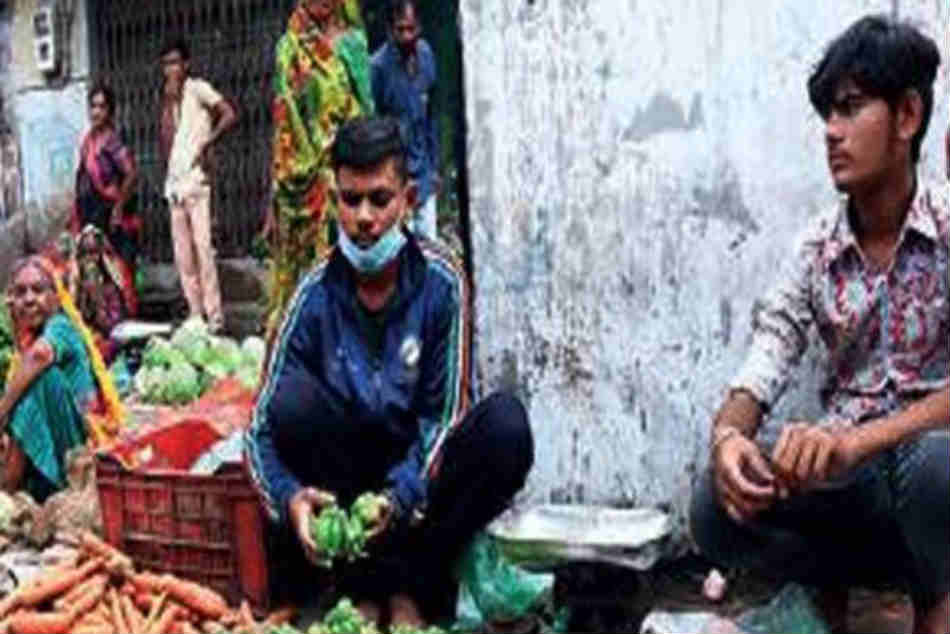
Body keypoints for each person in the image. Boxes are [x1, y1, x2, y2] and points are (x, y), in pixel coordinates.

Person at [689, 16, 948, 634]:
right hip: (851, 490)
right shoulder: (815, 249)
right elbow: (766, 355)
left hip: (929, 481)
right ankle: (823, 598)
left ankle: (936, 603)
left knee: (939, 469)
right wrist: (728, 440)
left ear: (907, 116)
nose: (831, 131)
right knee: (713, 506)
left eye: (850, 108)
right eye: (828, 114)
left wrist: (860, 440)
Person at [246, 117, 533, 628]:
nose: (364, 218)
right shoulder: (312, 296)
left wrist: (398, 499)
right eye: (350, 200)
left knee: (504, 428)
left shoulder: (442, 282)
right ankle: (361, 588)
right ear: (334, 201)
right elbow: (259, 428)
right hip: (347, 482)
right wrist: (289, 498)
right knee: (292, 402)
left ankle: (411, 591)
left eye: (379, 199)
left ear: (408, 199)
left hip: (418, 493)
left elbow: (445, 416)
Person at [264, 0, 375, 342]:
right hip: (303, 187)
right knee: (305, 285)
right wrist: (279, 191)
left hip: (353, 178)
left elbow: (367, 111)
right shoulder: (289, 49)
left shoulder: (354, 44)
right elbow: (285, 126)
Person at [0, 257, 124, 503]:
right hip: (56, 443)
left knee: (41, 380)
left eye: (38, 290)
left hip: (80, 447)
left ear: (55, 298)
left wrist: (1, 412)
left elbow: (40, 356)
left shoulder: (61, 326)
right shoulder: (26, 341)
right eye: (20, 292)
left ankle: (6, 489)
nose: (29, 299)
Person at [159, 37, 238, 335]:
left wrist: (209, 142)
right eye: (167, 64)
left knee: (204, 250)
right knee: (183, 256)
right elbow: (167, 141)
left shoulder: (198, 88)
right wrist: (169, 104)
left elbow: (229, 114)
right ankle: (195, 314)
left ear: (186, 64)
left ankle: (215, 316)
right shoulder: (168, 99)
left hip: (196, 181)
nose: (171, 69)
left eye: (175, 62)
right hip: (175, 184)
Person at [371, 0, 440, 241]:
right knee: (399, 247)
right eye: (400, 29)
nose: (406, 36)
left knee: (429, 246)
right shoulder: (378, 68)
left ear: (419, 27)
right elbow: (375, 125)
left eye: (411, 29)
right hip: (395, 176)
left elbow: (431, 115)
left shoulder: (426, 56)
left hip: (424, 174)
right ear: (390, 30)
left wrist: (434, 167)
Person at [72, 82, 141, 279]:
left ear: (110, 111)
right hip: (92, 215)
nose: (96, 112)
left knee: (119, 270)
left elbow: (131, 173)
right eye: (93, 106)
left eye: (102, 107)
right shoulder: (88, 141)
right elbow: (83, 177)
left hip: (111, 216)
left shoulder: (113, 141)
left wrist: (118, 208)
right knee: (95, 271)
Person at [72, 226, 139, 363]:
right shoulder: (74, 283)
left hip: (111, 342)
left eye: (94, 253)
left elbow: (117, 323)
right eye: (86, 254)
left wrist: (97, 297)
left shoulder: (112, 284)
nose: (90, 260)